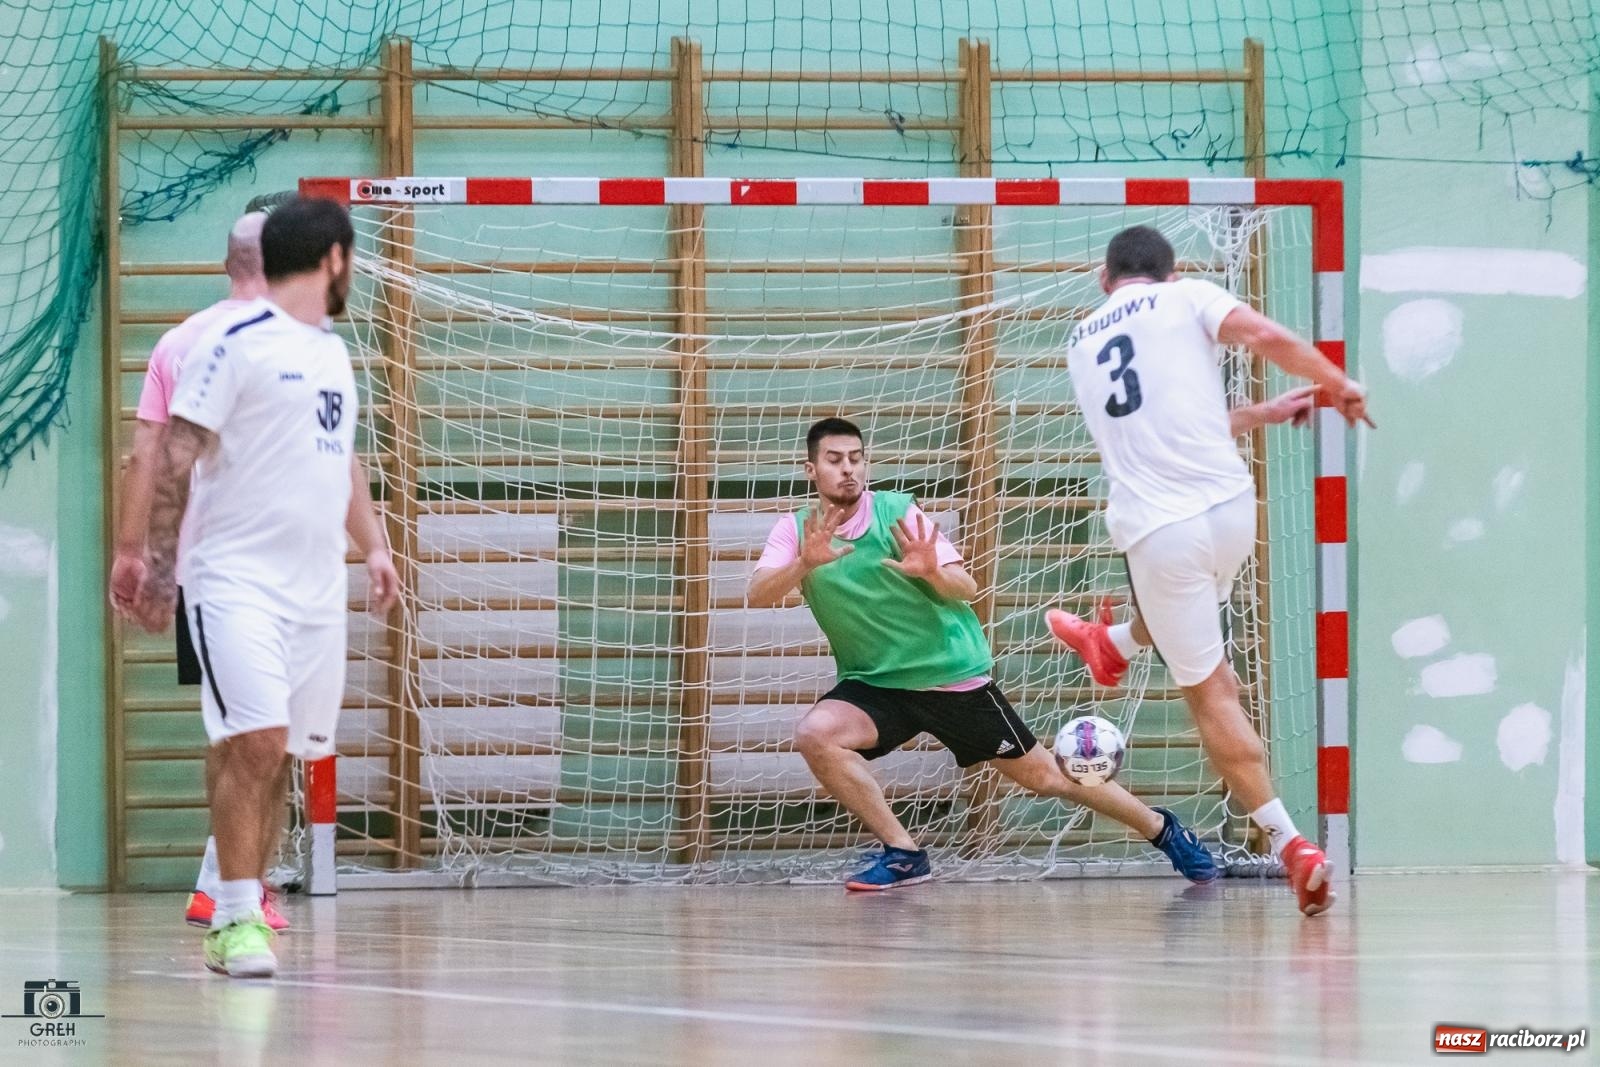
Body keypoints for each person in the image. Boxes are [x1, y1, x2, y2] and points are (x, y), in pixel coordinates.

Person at [1045, 225, 1372, 917]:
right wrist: (1331, 381)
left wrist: (1279, 403)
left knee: (1211, 690)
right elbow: (1262, 337)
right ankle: (1115, 643)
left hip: (1161, 531)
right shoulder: (1190, 296)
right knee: (1183, 615)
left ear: (1106, 279)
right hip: (1231, 512)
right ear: (1170, 273)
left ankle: (1290, 845)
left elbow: (1154, 430)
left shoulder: (1078, 342)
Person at [747, 417, 1218, 891]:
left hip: (952, 679)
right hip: (876, 683)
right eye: (834, 460)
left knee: (1047, 778)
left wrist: (930, 571)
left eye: (856, 458)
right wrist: (805, 563)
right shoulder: (797, 532)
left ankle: (1161, 828)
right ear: (811, 469)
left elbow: (965, 586)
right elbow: (760, 593)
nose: (848, 469)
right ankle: (904, 853)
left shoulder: (897, 513)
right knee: (816, 734)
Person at [135, 196, 400, 977]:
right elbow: (171, 450)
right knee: (248, 737)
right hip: (230, 579)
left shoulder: (332, 354)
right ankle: (235, 913)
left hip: (312, 587)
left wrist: (375, 546)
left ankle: (233, 889)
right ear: (333, 259)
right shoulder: (228, 342)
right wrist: (150, 561)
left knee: (273, 746)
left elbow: (340, 460)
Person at [107, 211, 296, 933]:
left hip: (207, 577)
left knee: (242, 732)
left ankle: (222, 883)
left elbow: (146, 457)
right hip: (262, 573)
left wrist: (134, 553)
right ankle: (234, 889)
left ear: (227, 263)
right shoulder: (297, 346)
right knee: (258, 736)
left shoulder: (177, 342)